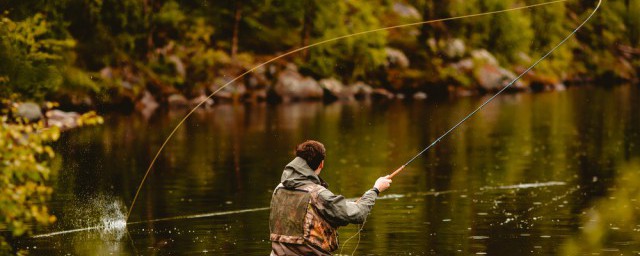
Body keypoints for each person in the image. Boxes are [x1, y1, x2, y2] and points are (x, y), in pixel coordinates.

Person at [269, 140, 392, 256]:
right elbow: (358, 214)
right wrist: (375, 190)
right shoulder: (318, 194)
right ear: (321, 164)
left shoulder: (279, 188)